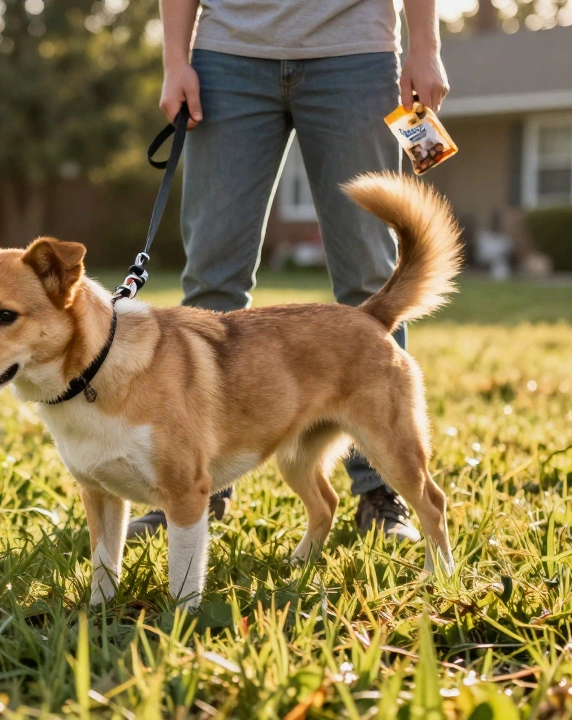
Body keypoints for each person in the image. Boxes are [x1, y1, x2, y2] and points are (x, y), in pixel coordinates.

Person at [126, 0, 450, 541]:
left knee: (371, 282)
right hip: (228, 53)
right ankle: (196, 484)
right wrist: (174, 59)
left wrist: (425, 46)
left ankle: (381, 491)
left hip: (354, 49)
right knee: (211, 282)